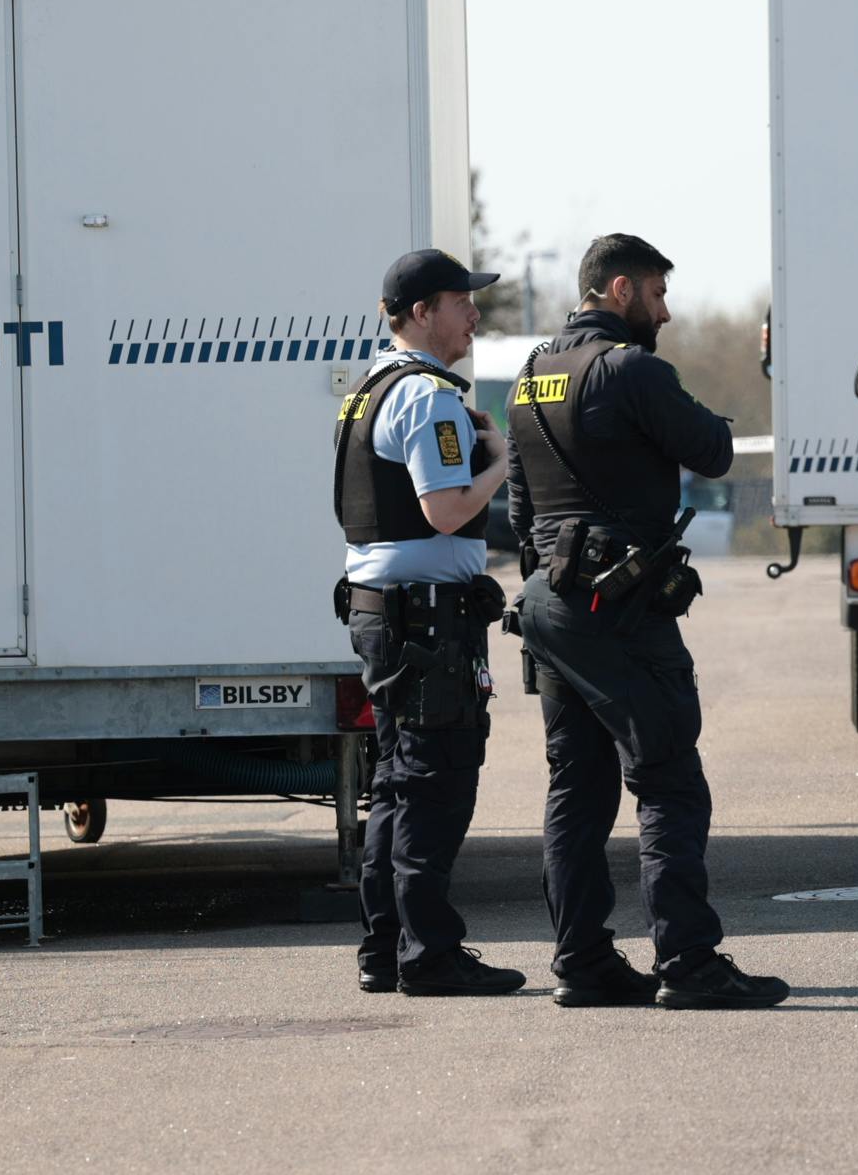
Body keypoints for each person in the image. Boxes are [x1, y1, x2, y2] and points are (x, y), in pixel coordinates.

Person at [507, 234, 788, 1009]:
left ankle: (584, 961)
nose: (665, 311)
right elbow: (715, 450)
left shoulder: (529, 376)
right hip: (619, 604)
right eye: (658, 295)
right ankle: (689, 960)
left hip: (551, 603)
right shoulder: (633, 370)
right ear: (621, 290)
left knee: (578, 787)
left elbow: (523, 510)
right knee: (668, 778)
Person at [335, 249, 522, 998]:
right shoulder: (428, 397)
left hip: (383, 613)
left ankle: (387, 946)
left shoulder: (367, 391)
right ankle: (430, 953)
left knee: (396, 783)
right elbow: (446, 509)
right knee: (434, 784)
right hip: (425, 621)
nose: (473, 313)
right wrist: (502, 460)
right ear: (419, 312)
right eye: (458, 299)